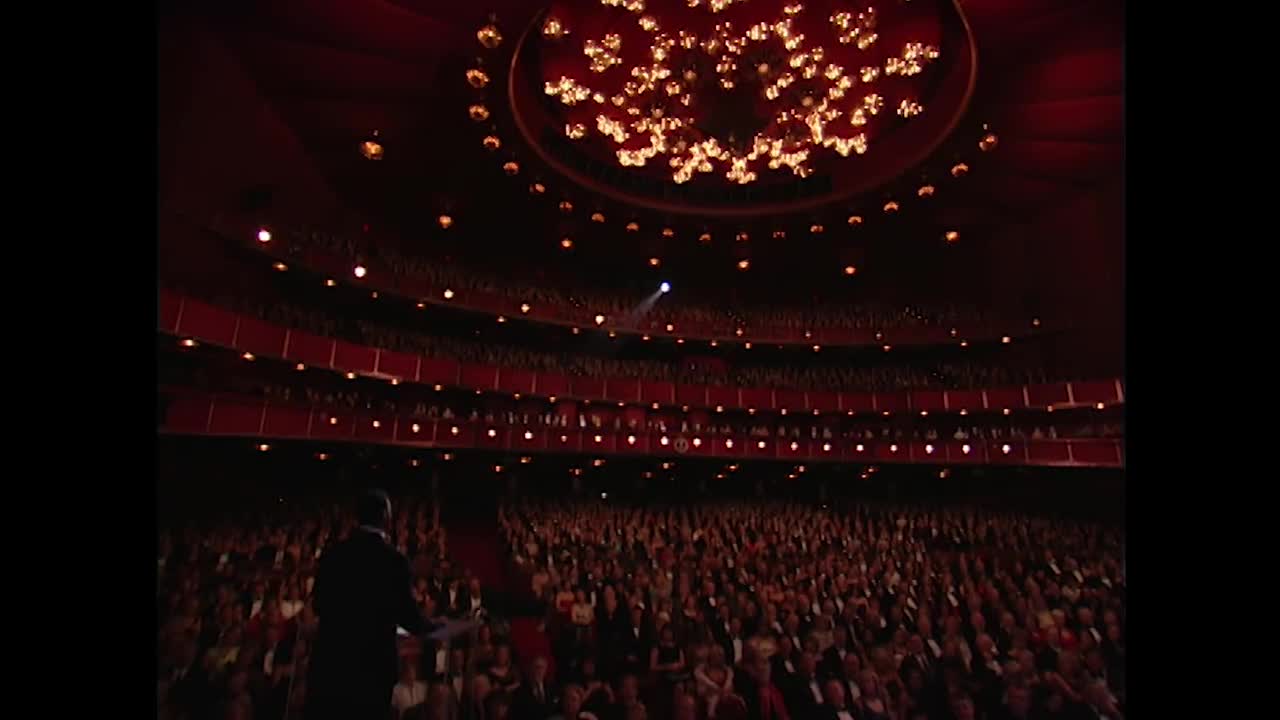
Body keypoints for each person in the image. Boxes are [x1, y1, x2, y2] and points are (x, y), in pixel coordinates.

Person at [305, 489, 440, 719]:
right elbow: (409, 619)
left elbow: (318, 604)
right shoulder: (394, 561)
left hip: (332, 663)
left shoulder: (333, 554)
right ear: (387, 519)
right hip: (373, 668)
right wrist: (436, 626)